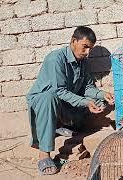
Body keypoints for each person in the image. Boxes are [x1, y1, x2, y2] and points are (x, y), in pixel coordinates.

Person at [26, 26, 114, 175]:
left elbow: (87, 88)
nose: (87, 53)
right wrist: (85, 102)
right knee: (49, 97)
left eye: (90, 49)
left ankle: (60, 126)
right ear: (73, 41)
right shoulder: (55, 59)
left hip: (64, 104)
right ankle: (44, 154)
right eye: (85, 47)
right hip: (45, 103)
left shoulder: (83, 62)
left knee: (101, 103)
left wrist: (101, 94)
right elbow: (58, 91)